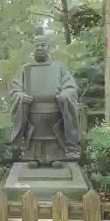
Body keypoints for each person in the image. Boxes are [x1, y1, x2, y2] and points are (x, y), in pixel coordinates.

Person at [9, 27, 79, 168]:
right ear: (33, 49)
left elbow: (71, 88)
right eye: (37, 46)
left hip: (55, 112)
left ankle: (56, 157)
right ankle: (33, 158)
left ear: (49, 47)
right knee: (34, 137)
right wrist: (21, 97)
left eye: (43, 45)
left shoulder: (59, 68)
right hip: (33, 113)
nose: (40, 48)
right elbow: (14, 90)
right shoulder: (26, 70)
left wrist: (65, 95)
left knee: (54, 137)